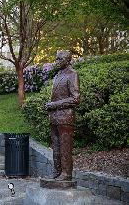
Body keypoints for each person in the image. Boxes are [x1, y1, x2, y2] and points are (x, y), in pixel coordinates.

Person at [45, 50, 80, 181]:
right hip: (55, 117)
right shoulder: (58, 75)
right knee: (56, 147)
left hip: (65, 117)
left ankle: (66, 174)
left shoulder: (72, 74)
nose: (56, 62)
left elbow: (75, 99)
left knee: (65, 147)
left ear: (67, 60)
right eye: (56, 59)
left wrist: (54, 104)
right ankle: (57, 171)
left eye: (59, 59)